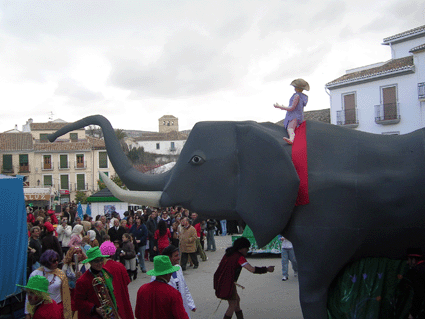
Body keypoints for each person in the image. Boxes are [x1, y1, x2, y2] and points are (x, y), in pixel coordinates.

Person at [214, 237, 275, 319]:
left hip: (223, 281)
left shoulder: (228, 254)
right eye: (247, 248)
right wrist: (266, 269)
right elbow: (252, 269)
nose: (247, 250)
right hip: (228, 283)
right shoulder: (239, 257)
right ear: (242, 248)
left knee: (236, 301)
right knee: (232, 305)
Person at [75, 246, 134, 319]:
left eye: (101, 259)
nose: (100, 263)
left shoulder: (106, 273)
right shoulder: (82, 280)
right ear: (90, 262)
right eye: (96, 261)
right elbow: (78, 302)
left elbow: (111, 294)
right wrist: (95, 309)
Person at [151, 245, 196, 318]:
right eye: (176, 256)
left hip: (181, 307)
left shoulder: (178, 268)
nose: (178, 258)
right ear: (168, 258)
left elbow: (185, 287)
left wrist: (191, 304)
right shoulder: (157, 276)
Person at [25, 250, 72, 319]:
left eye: (57, 260)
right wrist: (27, 313)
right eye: (53, 261)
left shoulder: (61, 274)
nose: (57, 263)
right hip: (39, 308)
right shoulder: (35, 274)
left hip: (57, 308)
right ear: (46, 261)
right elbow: (28, 294)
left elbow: (66, 295)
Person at [273, 78, 309, 144]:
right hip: (299, 116)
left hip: (293, 116)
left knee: (290, 128)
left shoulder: (296, 96)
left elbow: (291, 108)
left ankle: (292, 139)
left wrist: (280, 107)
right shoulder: (304, 97)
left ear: (296, 88)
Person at [62, 246, 89, 318]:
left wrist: (82, 276)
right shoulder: (66, 266)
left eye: (80, 253)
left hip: (82, 292)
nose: (79, 255)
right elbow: (63, 278)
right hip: (70, 292)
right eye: (76, 253)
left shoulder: (86, 265)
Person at [404, 248, 425, 319]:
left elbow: (418, 294)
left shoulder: (416, 272)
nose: (407, 262)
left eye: (408, 259)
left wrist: (413, 313)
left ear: (413, 260)